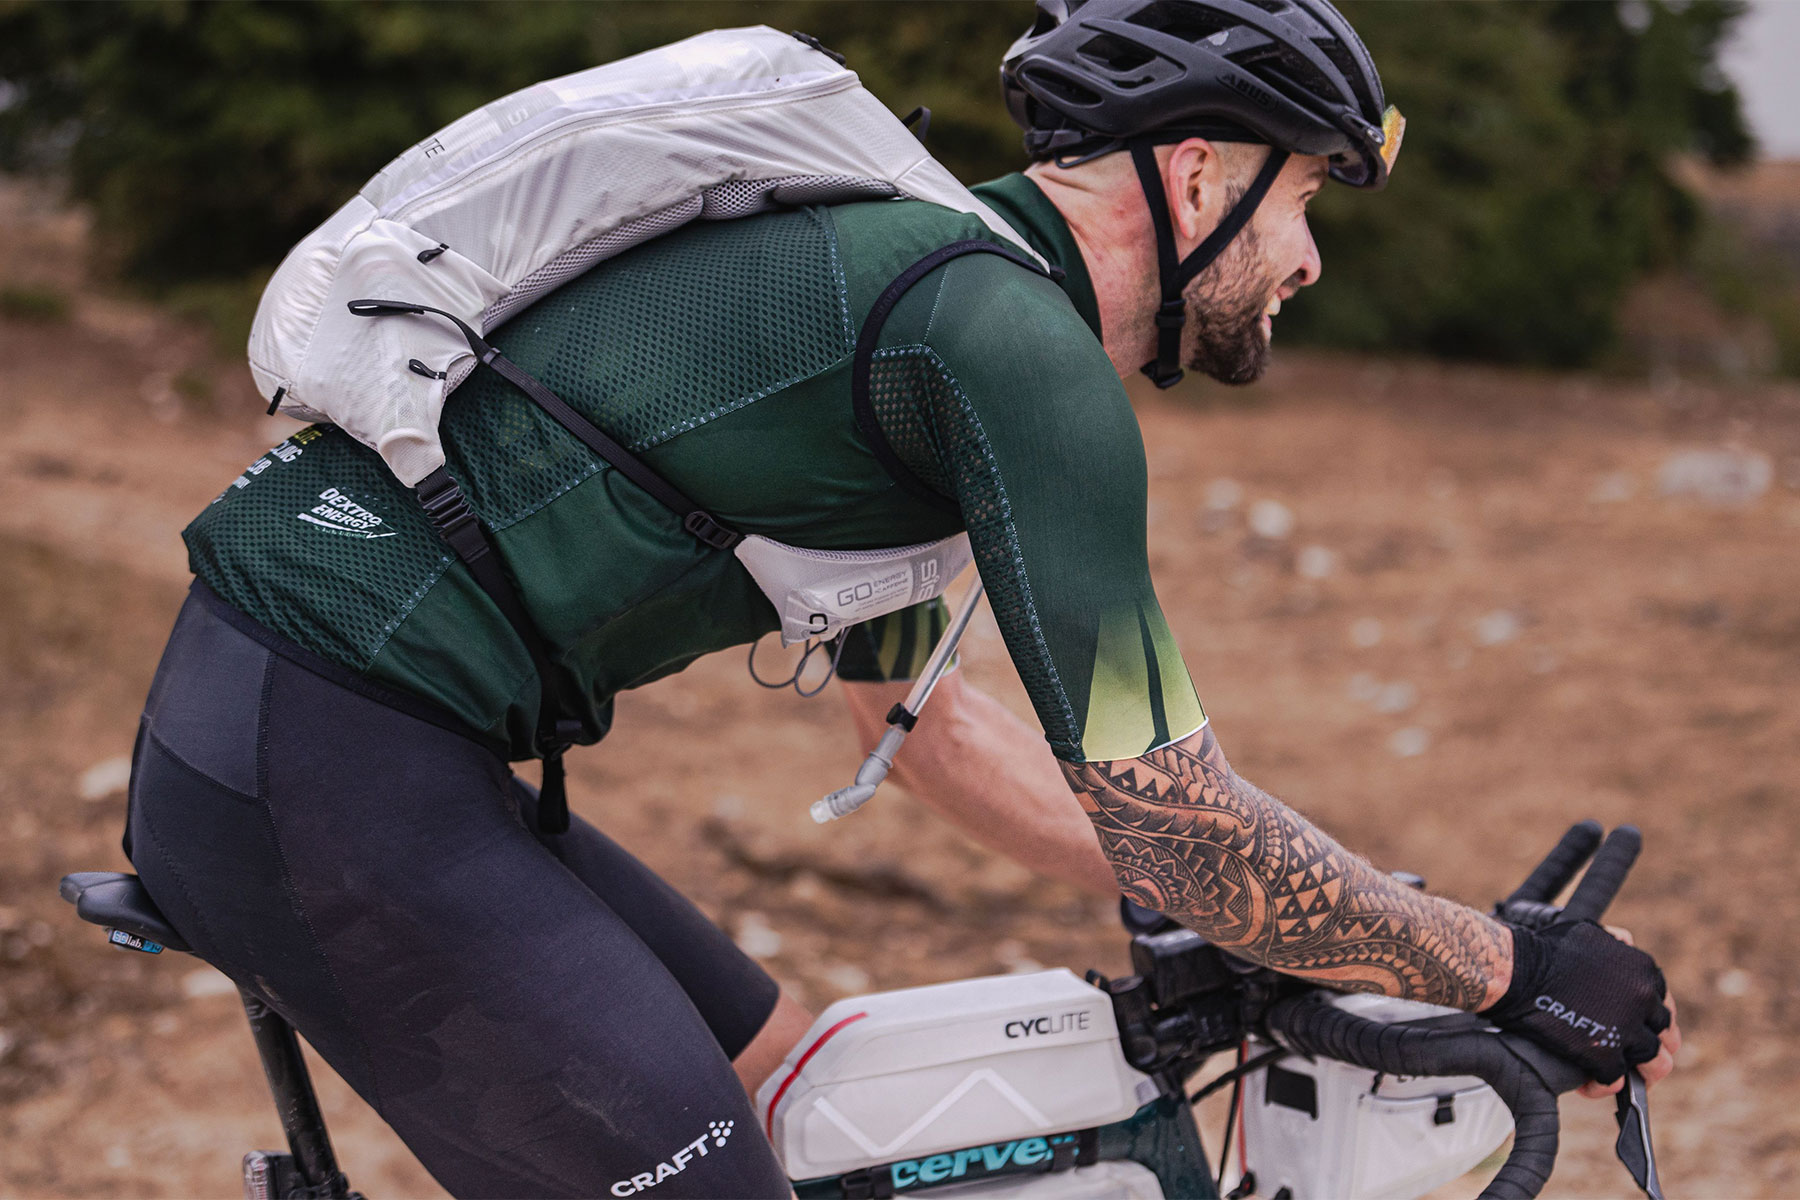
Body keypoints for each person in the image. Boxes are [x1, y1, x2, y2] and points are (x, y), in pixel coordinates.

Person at [121, 1, 1677, 1196]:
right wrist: (1505, 964)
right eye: (1305, 199)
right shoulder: (1009, 351)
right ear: (1200, 168)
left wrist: (1344, 925)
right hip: (320, 758)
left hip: (343, 738)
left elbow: (931, 734)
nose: (1311, 258)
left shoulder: (932, 289)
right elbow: (1174, 820)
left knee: (803, 1089)